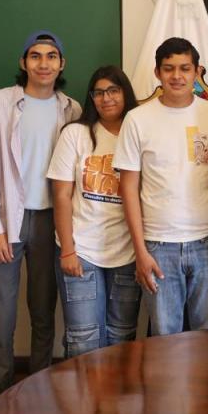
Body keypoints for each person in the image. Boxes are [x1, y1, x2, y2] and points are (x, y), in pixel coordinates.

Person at [0, 31, 80, 393]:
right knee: (3, 317)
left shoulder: (72, 109)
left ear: (61, 64)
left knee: (43, 312)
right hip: (8, 219)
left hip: (51, 221)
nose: (43, 63)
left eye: (51, 56)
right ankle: (2, 393)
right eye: (35, 56)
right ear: (24, 63)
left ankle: (36, 391)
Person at [115, 39, 208, 334]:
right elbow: (128, 188)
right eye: (169, 69)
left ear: (197, 72)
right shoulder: (137, 119)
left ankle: (204, 384)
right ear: (157, 72)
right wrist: (140, 250)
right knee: (165, 335)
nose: (176, 76)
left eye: (184, 69)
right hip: (158, 244)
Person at [47, 65, 141, 354]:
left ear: (125, 93)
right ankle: (84, 401)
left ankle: (114, 401)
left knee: (121, 339)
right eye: (99, 92)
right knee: (83, 340)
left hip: (127, 253)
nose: (106, 98)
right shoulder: (76, 134)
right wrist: (67, 250)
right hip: (82, 250)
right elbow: (61, 195)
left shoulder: (139, 132)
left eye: (113, 90)